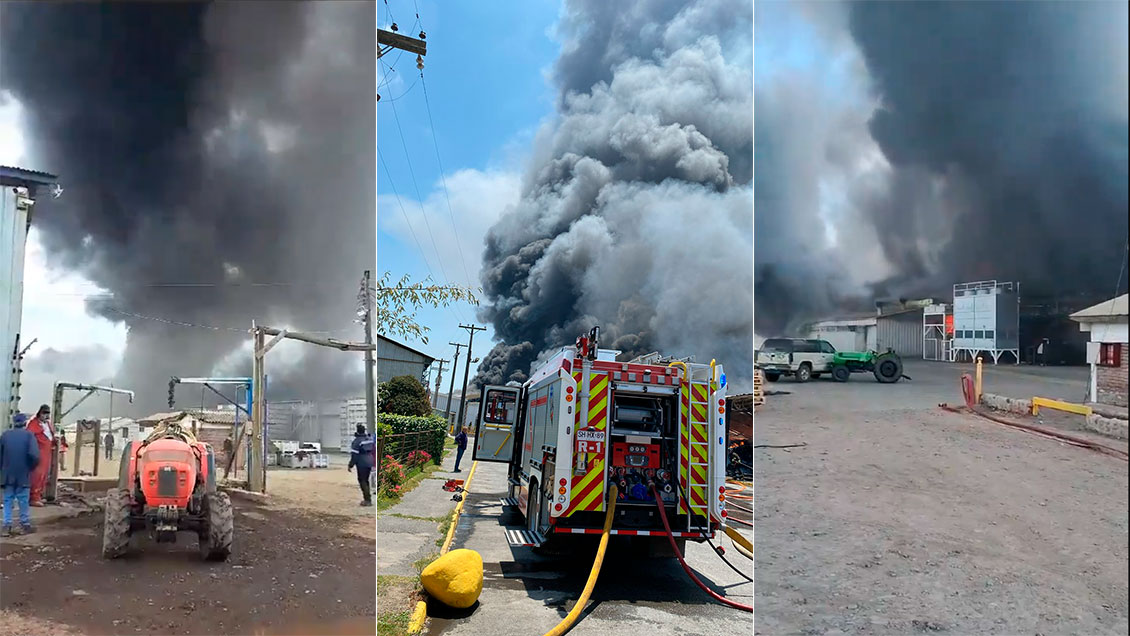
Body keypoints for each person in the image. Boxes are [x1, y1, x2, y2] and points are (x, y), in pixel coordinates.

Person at [1, 413, 40, 536]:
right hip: (23, 474)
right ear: (24, 423)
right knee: (23, 500)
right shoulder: (29, 436)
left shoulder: (5, 435)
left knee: (8, 500)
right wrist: (30, 467)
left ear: (13, 423)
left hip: (8, 475)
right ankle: (25, 524)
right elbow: (34, 455)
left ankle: (6, 526)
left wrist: (2, 470)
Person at [25, 405, 54, 507]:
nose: (46, 416)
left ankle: (38, 496)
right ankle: (33, 497)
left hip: (47, 452)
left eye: (48, 413)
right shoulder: (33, 424)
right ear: (39, 413)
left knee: (44, 475)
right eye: (44, 413)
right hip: (38, 452)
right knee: (37, 475)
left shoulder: (48, 424)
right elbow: (29, 437)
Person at [347, 424, 375, 506]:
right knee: (366, 480)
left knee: (362, 480)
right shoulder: (369, 439)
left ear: (357, 431)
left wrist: (350, 465)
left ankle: (367, 500)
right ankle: (368, 498)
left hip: (361, 462)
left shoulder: (357, 441)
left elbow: (354, 456)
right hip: (370, 461)